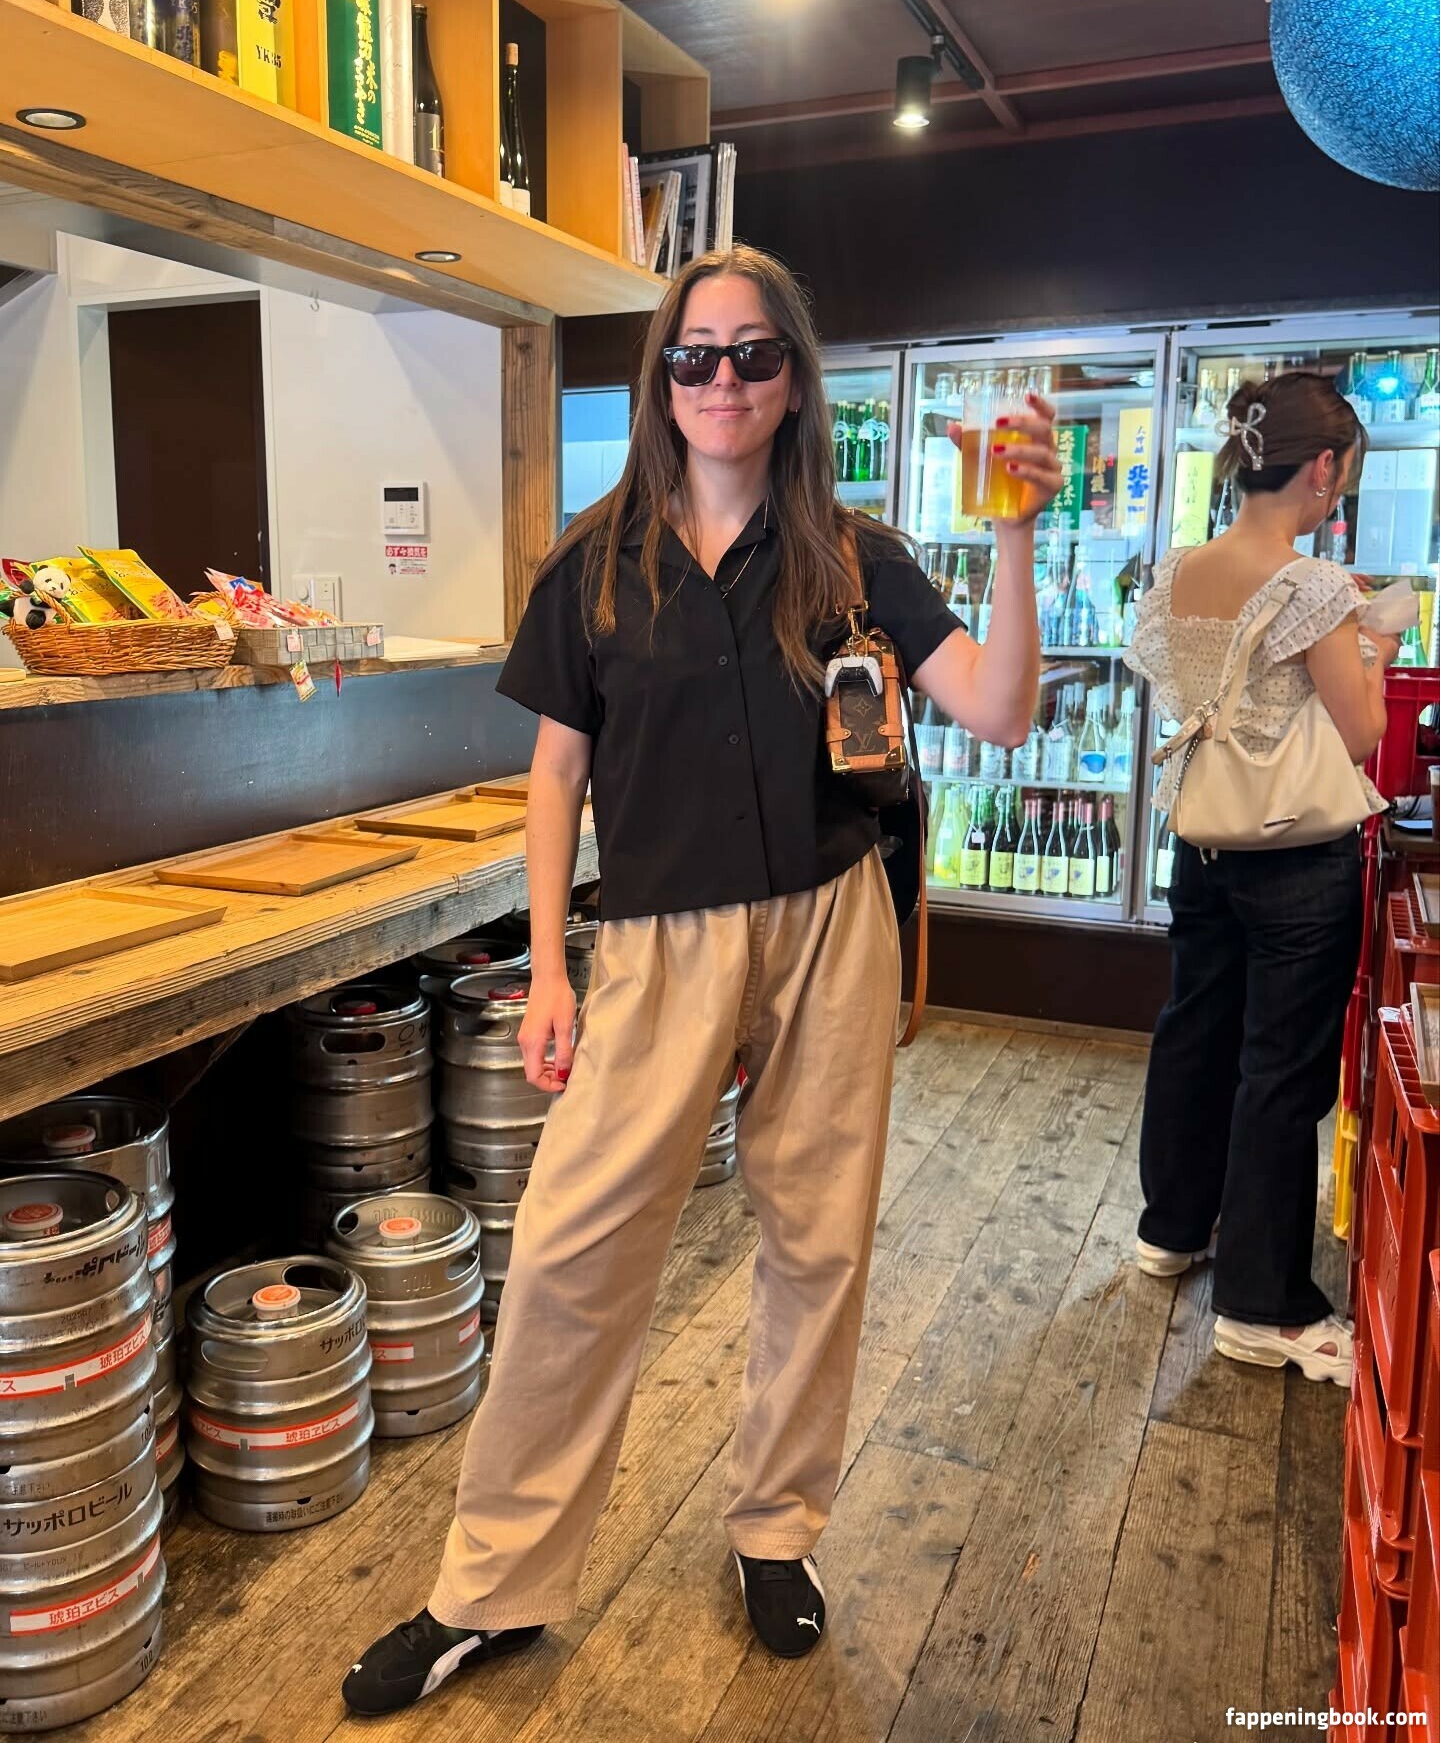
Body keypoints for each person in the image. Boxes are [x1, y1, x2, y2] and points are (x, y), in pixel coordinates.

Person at [342, 245, 1059, 1716]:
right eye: (694, 355)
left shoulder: (854, 558)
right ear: (659, 380)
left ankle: (776, 1533)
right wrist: (550, 969)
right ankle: (491, 1587)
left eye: (752, 354)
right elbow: (556, 778)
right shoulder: (593, 567)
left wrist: (1016, 535)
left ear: (794, 381)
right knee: (572, 1251)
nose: (721, 379)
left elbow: (998, 708)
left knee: (820, 1241)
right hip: (658, 944)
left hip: (831, 923)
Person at [1125, 372, 1395, 1389]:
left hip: (1201, 841)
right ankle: (1262, 1305)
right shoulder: (1315, 587)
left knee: (1194, 1031)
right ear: (1321, 467)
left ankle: (1171, 1227)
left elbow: (1179, 690)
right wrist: (1377, 646)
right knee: (1280, 1069)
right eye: (1341, 476)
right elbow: (1360, 733)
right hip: (1294, 857)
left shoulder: (1179, 571)